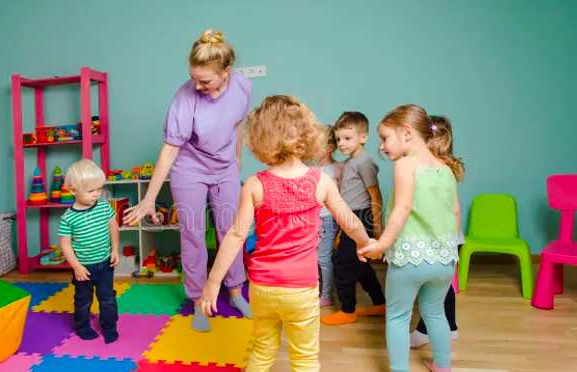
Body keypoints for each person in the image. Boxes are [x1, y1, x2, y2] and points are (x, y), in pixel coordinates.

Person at [200, 95, 372, 372]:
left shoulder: (255, 184)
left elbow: (235, 235)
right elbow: (350, 221)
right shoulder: (322, 181)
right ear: (308, 133)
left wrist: (213, 281)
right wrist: (368, 243)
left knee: (262, 353)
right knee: (305, 360)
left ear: (260, 138)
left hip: (262, 288)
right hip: (302, 289)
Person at [123, 29, 252, 332]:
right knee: (193, 235)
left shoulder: (243, 86)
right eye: (194, 77)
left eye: (205, 80)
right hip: (189, 169)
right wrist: (149, 198)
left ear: (226, 73)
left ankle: (234, 291)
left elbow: (237, 124)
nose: (198, 85)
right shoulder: (185, 98)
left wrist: (236, 162)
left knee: (231, 230)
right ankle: (198, 300)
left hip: (224, 168)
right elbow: (169, 150)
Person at [359, 105, 464, 372]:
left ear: (406, 132)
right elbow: (454, 213)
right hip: (444, 260)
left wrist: (381, 244)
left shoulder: (406, 165)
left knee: (397, 316)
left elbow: (402, 208)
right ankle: (442, 366)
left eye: (384, 138)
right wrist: (450, 251)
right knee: (435, 312)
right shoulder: (446, 169)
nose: (381, 147)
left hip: (411, 261)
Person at [321, 112, 386, 326]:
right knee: (359, 264)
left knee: (343, 263)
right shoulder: (351, 162)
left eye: (347, 138)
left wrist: (377, 230)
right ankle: (379, 302)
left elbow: (375, 196)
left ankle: (348, 310)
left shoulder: (364, 163)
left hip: (361, 217)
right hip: (350, 216)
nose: (341, 144)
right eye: (338, 139)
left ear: (363, 137)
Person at [58, 159, 121, 344]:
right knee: (83, 301)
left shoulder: (103, 207)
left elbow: (113, 226)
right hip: (83, 269)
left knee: (108, 298)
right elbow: (65, 245)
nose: (96, 194)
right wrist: (76, 266)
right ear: (72, 190)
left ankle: (109, 326)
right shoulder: (68, 218)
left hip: (105, 264)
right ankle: (82, 327)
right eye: (91, 191)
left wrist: (115, 249)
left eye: (98, 189)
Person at [312, 125, 343, 307]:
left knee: (323, 258)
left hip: (328, 219)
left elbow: (341, 196)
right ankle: (314, 291)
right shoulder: (311, 169)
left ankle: (327, 295)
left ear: (330, 147)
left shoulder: (337, 169)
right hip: (312, 219)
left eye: (317, 144)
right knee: (312, 257)